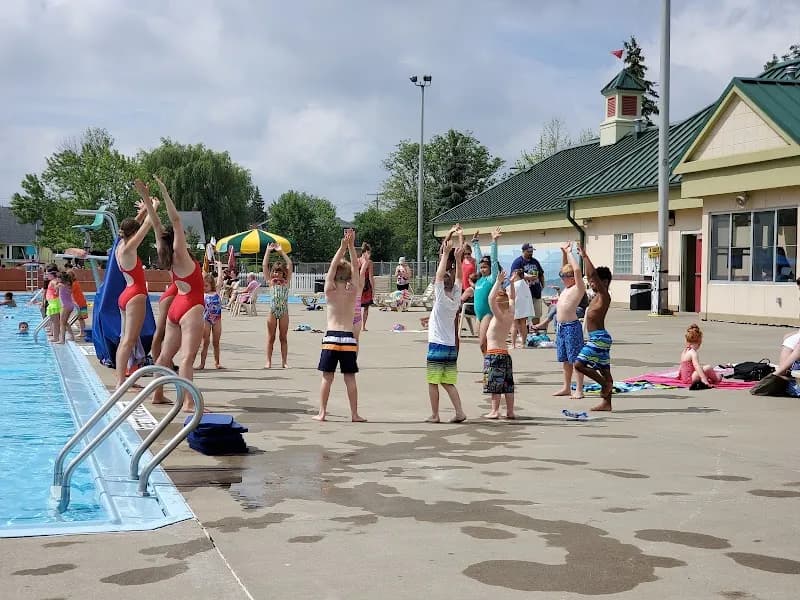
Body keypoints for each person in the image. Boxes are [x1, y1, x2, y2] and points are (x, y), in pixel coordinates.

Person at [139, 176, 205, 412]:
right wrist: (165, 192)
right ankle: (188, 402)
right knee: (187, 358)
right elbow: (175, 219)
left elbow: (156, 224)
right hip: (191, 307)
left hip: (176, 309)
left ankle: (157, 395)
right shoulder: (180, 253)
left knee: (165, 357)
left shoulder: (165, 255)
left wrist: (147, 198)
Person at [314, 229, 366, 423]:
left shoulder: (330, 289)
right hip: (348, 337)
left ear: (335, 274)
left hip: (331, 337)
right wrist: (351, 247)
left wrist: (342, 247)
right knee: (350, 378)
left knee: (327, 377)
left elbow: (332, 267)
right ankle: (354, 414)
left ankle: (322, 413)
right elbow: (356, 268)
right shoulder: (354, 290)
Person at [425, 234, 467, 424]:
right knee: (448, 382)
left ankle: (435, 415)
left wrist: (445, 254)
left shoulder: (441, 298)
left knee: (433, 381)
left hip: (437, 345)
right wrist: (457, 259)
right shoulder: (456, 298)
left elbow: (439, 275)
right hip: (450, 346)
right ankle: (459, 412)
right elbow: (459, 277)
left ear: (442, 285)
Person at [115, 193, 154, 387]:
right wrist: (153, 206)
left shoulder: (120, 246)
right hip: (135, 295)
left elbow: (137, 225)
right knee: (129, 341)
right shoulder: (129, 248)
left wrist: (144, 210)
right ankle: (121, 382)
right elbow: (146, 226)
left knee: (126, 339)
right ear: (133, 233)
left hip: (126, 294)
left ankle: (123, 379)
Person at [573, 243, 615, 411]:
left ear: (604, 282)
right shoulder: (597, 296)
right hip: (599, 337)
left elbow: (592, 273)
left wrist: (584, 256)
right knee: (604, 369)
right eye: (590, 282)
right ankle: (607, 403)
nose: (591, 283)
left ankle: (604, 385)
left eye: (593, 281)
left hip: (598, 338)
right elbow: (589, 276)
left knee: (578, 364)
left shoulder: (604, 295)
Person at [553, 242, 585, 399]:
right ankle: (566, 387)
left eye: (565, 277)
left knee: (576, 359)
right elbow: (565, 268)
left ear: (572, 278)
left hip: (572, 326)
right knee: (565, 359)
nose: (563, 279)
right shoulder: (566, 288)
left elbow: (577, 270)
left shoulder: (578, 288)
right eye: (562, 276)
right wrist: (563, 254)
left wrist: (570, 252)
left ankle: (579, 389)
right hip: (561, 327)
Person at [483, 269, 517, 419]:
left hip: (494, 354)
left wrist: (498, 282)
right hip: (505, 354)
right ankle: (510, 411)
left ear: (498, 304)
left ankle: (495, 410)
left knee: (494, 384)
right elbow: (513, 298)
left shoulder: (499, 316)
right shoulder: (510, 313)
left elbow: (490, 299)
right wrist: (512, 283)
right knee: (508, 385)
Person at [262, 242, 293, 369]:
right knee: (271, 337)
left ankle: (284, 361)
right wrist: (268, 251)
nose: (277, 274)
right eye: (275, 271)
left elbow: (290, 264)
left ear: (283, 273)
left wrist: (281, 251)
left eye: (279, 272)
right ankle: (268, 361)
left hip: (284, 311)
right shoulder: (271, 282)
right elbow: (264, 265)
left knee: (283, 337)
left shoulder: (286, 282)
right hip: (272, 311)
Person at [472, 227, 501, 354]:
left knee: (483, 343)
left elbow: (494, 261)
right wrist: (475, 243)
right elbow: (479, 259)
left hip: (488, 314)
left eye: (485, 267)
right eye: (481, 267)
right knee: (484, 344)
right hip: (478, 315)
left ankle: (489, 363)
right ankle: (488, 362)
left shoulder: (491, 279)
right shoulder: (480, 279)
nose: (482, 269)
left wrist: (494, 241)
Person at [198, 262, 225, 370]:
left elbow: (220, 279)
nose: (204, 288)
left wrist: (219, 266)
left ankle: (217, 362)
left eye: (206, 286)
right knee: (205, 342)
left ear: (211, 285)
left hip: (217, 319)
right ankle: (202, 364)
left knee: (216, 342)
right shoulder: (202, 294)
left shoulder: (216, 291)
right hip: (206, 319)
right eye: (203, 285)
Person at [510, 243, 545, 325]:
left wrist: (542, 285)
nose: (531, 253)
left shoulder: (535, 261)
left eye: (532, 251)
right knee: (524, 316)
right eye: (529, 251)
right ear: (523, 251)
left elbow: (541, 274)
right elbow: (514, 275)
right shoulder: (518, 262)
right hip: (524, 294)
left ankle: (535, 329)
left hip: (536, 292)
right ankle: (524, 330)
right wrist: (527, 277)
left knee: (537, 314)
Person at [153, 281, 177, 362]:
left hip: (174, 294)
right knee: (161, 332)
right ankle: (156, 360)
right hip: (172, 295)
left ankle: (164, 360)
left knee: (167, 333)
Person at [512, 268, 534, 348]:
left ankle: (513, 344)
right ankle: (523, 343)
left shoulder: (515, 284)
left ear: (516, 275)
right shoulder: (525, 284)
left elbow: (510, 295)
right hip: (524, 307)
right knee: (523, 324)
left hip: (516, 306)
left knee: (514, 325)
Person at [67, 267, 88, 339]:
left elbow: (69, 292)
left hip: (80, 303)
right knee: (80, 318)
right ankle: (83, 332)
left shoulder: (74, 284)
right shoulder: (74, 283)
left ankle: (83, 332)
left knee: (81, 318)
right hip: (80, 303)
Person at [358, 243, 375, 331]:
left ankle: (362, 326)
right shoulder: (361, 261)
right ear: (364, 252)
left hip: (364, 285)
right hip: (362, 285)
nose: (369, 255)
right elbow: (370, 276)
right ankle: (360, 326)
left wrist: (373, 289)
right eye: (368, 253)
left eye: (370, 253)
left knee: (365, 307)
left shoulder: (360, 261)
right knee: (358, 307)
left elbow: (371, 276)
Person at [56, 271, 76, 344]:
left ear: (61, 279)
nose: (56, 279)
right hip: (70, 305)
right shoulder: (68, 285)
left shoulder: (60, 285)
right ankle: (72, 336)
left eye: (58, 278)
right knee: (65, 322)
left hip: (65, 306)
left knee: (62, 323)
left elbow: (54, 288)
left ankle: (62, 340)